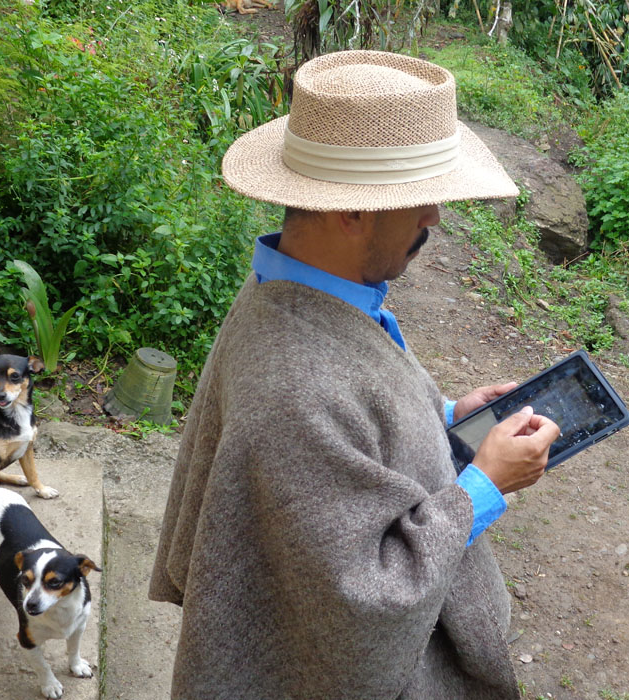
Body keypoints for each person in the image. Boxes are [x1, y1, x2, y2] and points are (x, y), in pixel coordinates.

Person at [149, 49, 560, 699]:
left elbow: (359, 406)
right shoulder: (296, 390)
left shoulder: (297, 287)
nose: (434, 218)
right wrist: (485, 484)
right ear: (352, 212)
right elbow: (362, 605)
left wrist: (445, 416)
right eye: (420, 198)